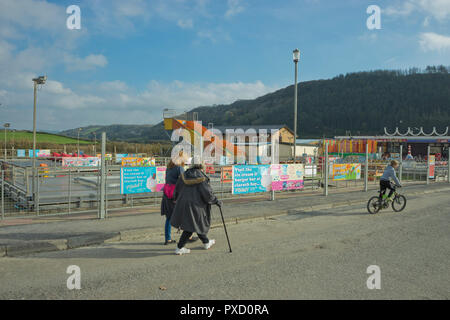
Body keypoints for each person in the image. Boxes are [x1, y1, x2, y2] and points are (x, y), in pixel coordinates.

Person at [170, 163, 222, 255]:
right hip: (195, 205)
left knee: (195, 223)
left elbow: (177, 189)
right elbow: (207, 194)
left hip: (183, 203)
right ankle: (179, 247)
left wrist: (175, 198)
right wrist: (216, 201)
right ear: (201, 168)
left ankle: (206, 242)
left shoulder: (184, 175)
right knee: (192, 225)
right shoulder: (201, 177)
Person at [160, 159, 184, 245]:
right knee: (184, 215)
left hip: (167, 194)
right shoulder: (179, 168)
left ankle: (168, 238)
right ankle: (187, 236)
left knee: (169, 218)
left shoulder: (169, 167)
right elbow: (183, 181)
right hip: (175, 195)